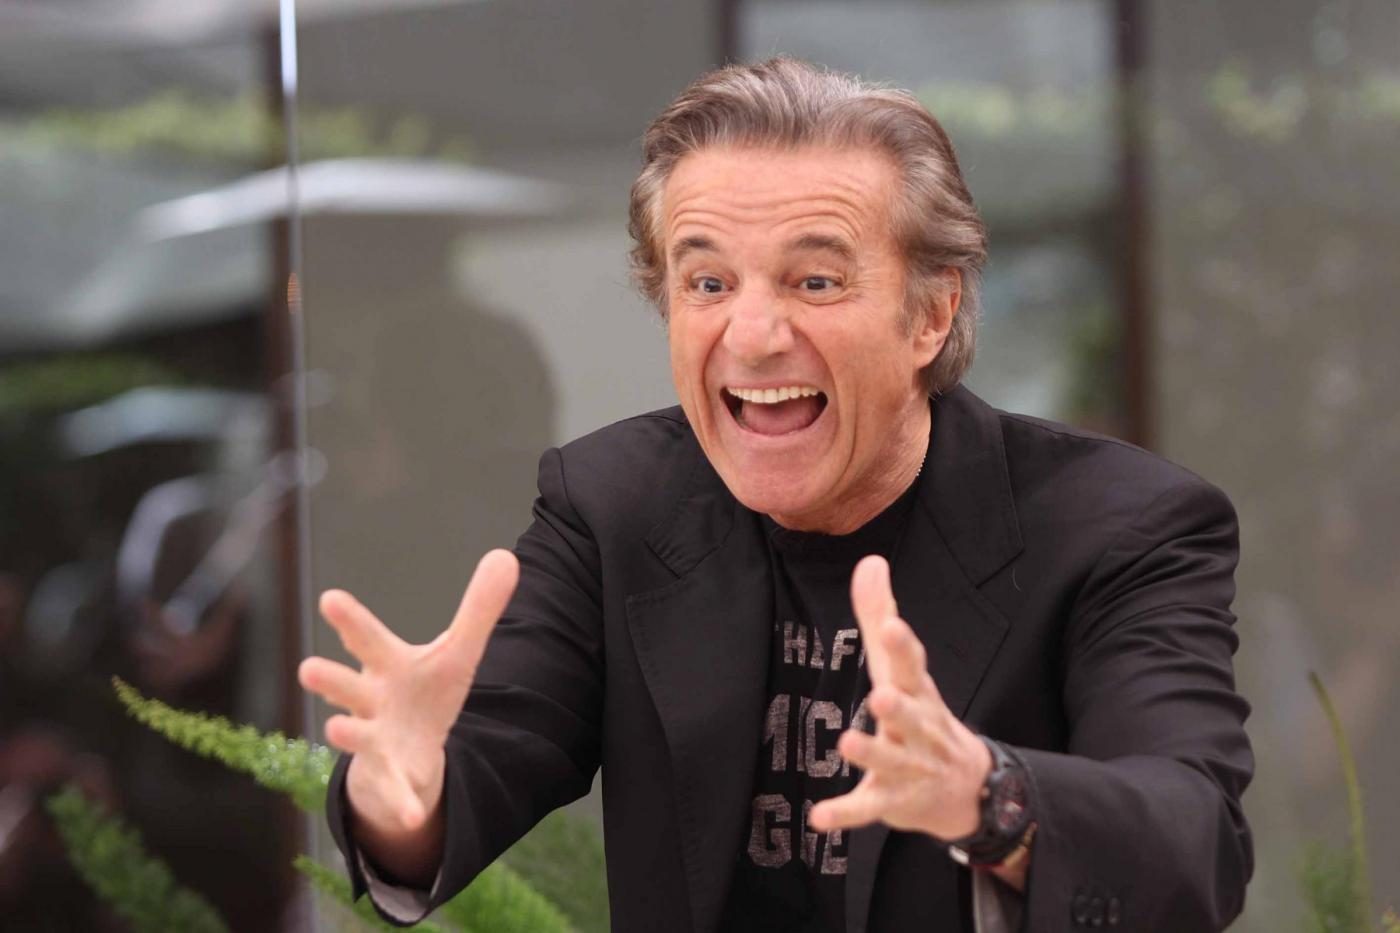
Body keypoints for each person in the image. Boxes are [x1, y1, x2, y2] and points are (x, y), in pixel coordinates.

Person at [299, 57, 1254, 932]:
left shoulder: (1119, 529)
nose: (753, 335)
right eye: (708, 281)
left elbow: (1194, 846)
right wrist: (403, 794)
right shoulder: (613, 505)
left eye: (816, 280)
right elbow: (472, 766)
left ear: (931, 312)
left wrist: (989, 795)